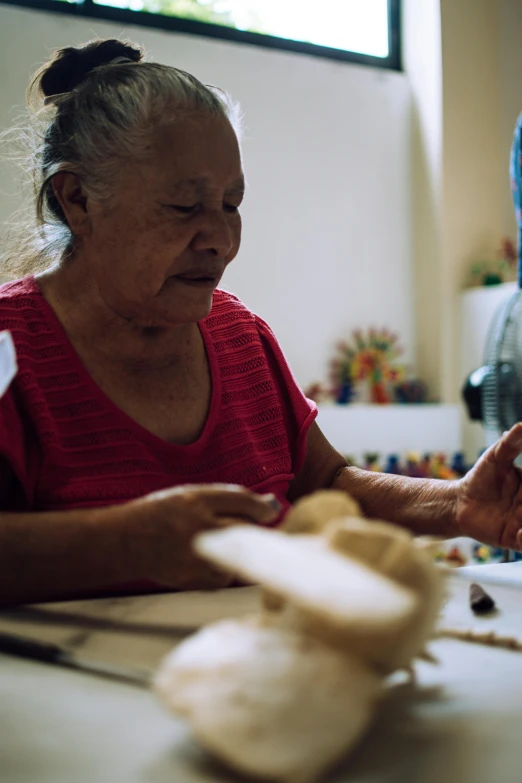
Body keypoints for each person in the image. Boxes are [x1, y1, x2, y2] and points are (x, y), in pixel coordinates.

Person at [0, 38, 521, 607]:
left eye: (231, 204)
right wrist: (121, 543)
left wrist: (456, 504)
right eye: (183, 207)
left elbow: (325, 484)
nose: (220, 241)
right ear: (77, 199)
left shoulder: (240, 336)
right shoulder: (10, 346)